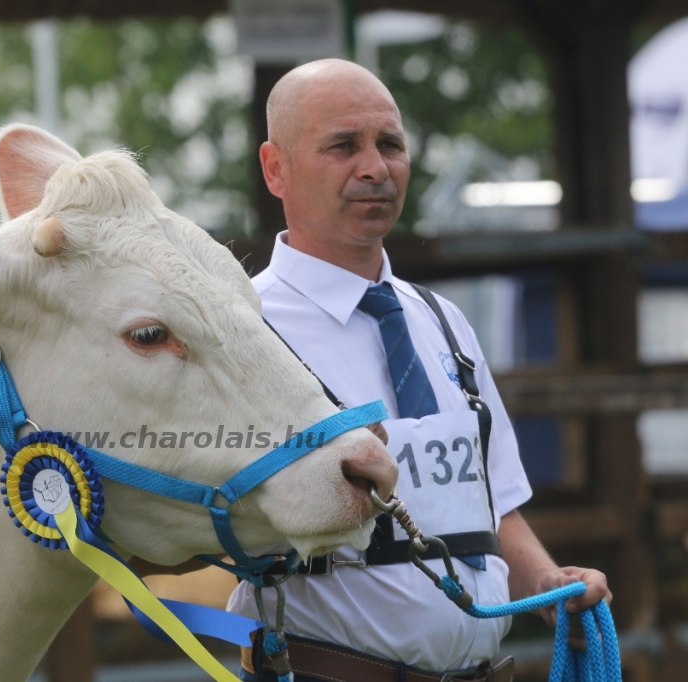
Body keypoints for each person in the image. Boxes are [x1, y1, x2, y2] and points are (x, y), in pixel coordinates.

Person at [226, 59, 611, 682]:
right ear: (276, 168)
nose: (376, 167)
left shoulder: (444, 320)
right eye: (344, 145)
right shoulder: (239, 330)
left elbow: (491, 506)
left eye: (391, 144)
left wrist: (548, 581)